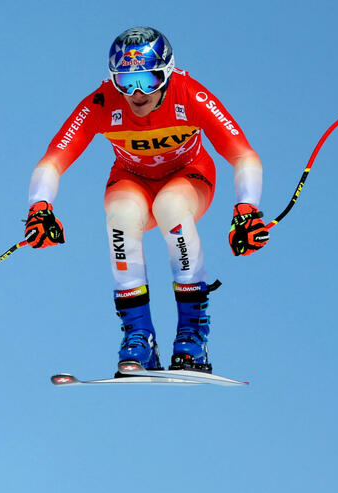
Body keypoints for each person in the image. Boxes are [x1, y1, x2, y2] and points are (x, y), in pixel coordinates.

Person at [24, 26, 270, 373]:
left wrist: (247, 210)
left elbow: (244, 155)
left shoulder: (190, 94)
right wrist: (40, 207)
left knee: (170, 206)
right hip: (132, 180)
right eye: (126, 82)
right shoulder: (102, 101)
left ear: (167, 74)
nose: (137, 94)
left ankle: (192, 336)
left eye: (149, 80)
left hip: (188, 176)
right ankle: (139, 338)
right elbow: (52, 160)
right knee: (120, 214)